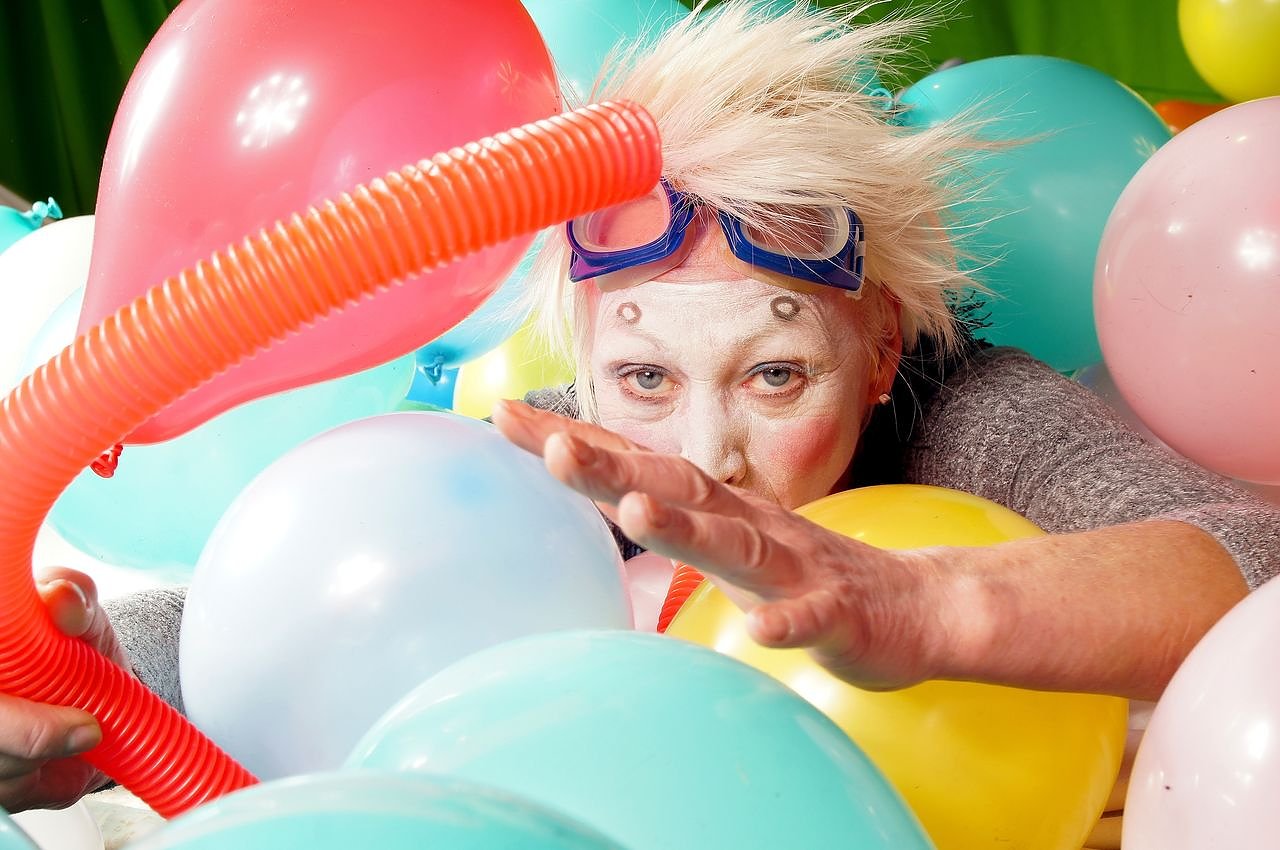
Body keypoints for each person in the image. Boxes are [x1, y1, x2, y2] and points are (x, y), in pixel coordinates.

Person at [2, 0, 1276, 814]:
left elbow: (1256, 563)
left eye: (774, 374)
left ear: (881, 344)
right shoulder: (570, 446)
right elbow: (298, 613)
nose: (703, 453)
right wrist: (87, 675)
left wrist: (926, 602)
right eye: (646, 377)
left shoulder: (964, 406)